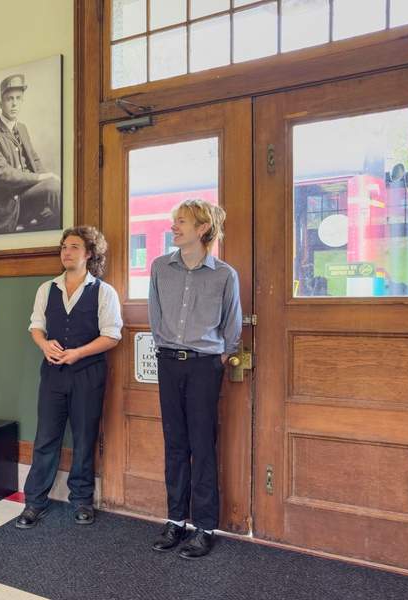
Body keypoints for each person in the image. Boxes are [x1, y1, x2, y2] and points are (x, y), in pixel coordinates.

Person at [147, 199, 242, 559]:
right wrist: (166, 348)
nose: (174, 226)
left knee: (202, 447)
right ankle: (175, 521)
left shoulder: (224, 275)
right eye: (174, 220)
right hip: (168, 363)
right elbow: (155, 316)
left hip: (205, 366)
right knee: (174, 444)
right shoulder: (160, 267)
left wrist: (216, 357)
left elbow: (231, 329)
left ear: (202, 229)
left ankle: (204, 527)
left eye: (181, 221)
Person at [15, 226, 122, 529]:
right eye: (63, 246)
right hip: (52, 374)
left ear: (89, 253)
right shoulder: (46, 288)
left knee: (85, 438)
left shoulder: (103, 291)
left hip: (88, 373)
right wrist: (43, 343)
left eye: (74, 246)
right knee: (46, 438)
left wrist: (79, 353)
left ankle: (82, 501)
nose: (66, 251)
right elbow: (36, 326)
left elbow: (112, 335)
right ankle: (35, 502)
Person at [0, 74, 61, 235]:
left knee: (56, 190)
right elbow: (4, 175)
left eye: (18, 98)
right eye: (9, 99)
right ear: (1, 103)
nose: (14, 103)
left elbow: (35, 161)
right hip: (9, 205)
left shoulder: (21, 128)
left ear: (22, 101)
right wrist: (41, 179)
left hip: (27, 197)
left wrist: (46, 175)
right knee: (53, 187)